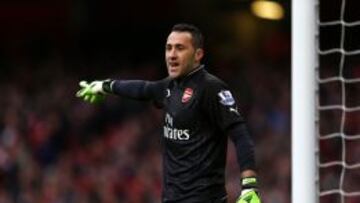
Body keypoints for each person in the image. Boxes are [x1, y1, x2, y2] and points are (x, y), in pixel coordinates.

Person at [76, 23, 261, 203]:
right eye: (169, 48)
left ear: (198, 54)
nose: (172, 55)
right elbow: (143, 89)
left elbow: (240, 135)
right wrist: (105, 86)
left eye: (180, 48)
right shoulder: (170, 86)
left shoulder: (211, 88)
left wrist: (249, 186)